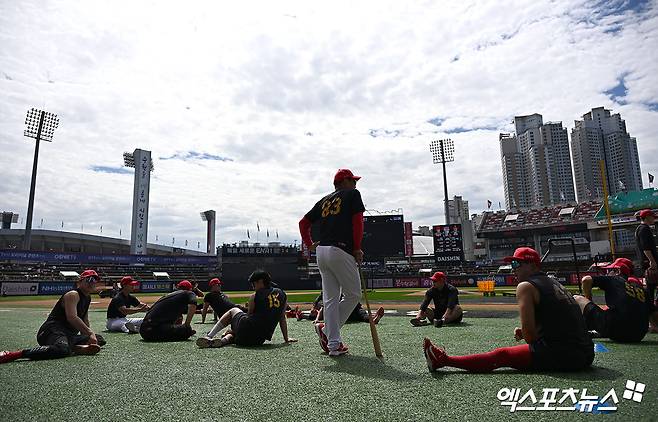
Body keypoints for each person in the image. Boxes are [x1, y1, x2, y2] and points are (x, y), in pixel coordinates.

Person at [423, 247, 593, 373]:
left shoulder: (525, 286)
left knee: (501, 355)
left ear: (532, 265)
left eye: (517, 263)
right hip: (585, 351)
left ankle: (443, 360)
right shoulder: (553, 281)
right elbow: (558, 319)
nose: (513, 268)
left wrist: (527, 332)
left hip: (567, 355)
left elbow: (530, 338)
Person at [299, 168, 365, 357]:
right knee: (353, 295)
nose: (355, 184)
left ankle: (334, 345)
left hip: (321, 252)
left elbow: (303, 223)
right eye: (352, 180)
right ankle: (327, 331)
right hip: (340, 250)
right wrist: (357, 248)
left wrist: (309, 244)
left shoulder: (324, 200)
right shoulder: (353, 194)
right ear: (344, 181)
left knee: (330, 300)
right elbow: (358, 222)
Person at [0, 270, 106, 364]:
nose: (92, 283)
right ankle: (15, 354)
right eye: (89, 279)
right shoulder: (73, 294)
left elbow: (85, 319)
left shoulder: (87, 298)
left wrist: (88, 338)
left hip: (67, 335)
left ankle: (75, 348)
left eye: (94, 280)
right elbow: (72, 317)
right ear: (79, 282)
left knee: (99, 339)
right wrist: (89, 334)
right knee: (62, 349)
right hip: (51, 331)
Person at [196, 270, 296, 348]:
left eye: (254, 284)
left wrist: (232, 328)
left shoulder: (255, 296)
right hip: (258, 340)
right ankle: (224, 341)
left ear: (260, 282)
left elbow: (248, 318)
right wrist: (286, 339)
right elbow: (282, 318)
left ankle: (209, 336)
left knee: (233, 311)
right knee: (240, 333)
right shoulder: (283, 295)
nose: (253, 287)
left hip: (245, 332)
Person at [573, 258, 648, 342]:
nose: (608, 273)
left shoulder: (614, 279)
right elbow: (653, 316)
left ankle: (578, 332)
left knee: (577, 298)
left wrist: (588, 299)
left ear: (618, 271)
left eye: (610, 270)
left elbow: (586, 280)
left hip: (616, 330)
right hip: (638, 335)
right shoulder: (641, 289)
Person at [635, 209, 658, 332]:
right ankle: (652, 323)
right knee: (649, 293)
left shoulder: (640, 229)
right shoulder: (644, 229)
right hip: (650, 265)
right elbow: (646, 248)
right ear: (647, 217)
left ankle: (652, 322)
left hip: (647, 263)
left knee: (650, 292)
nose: (654, 218)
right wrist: (652, 261)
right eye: (652, 216)